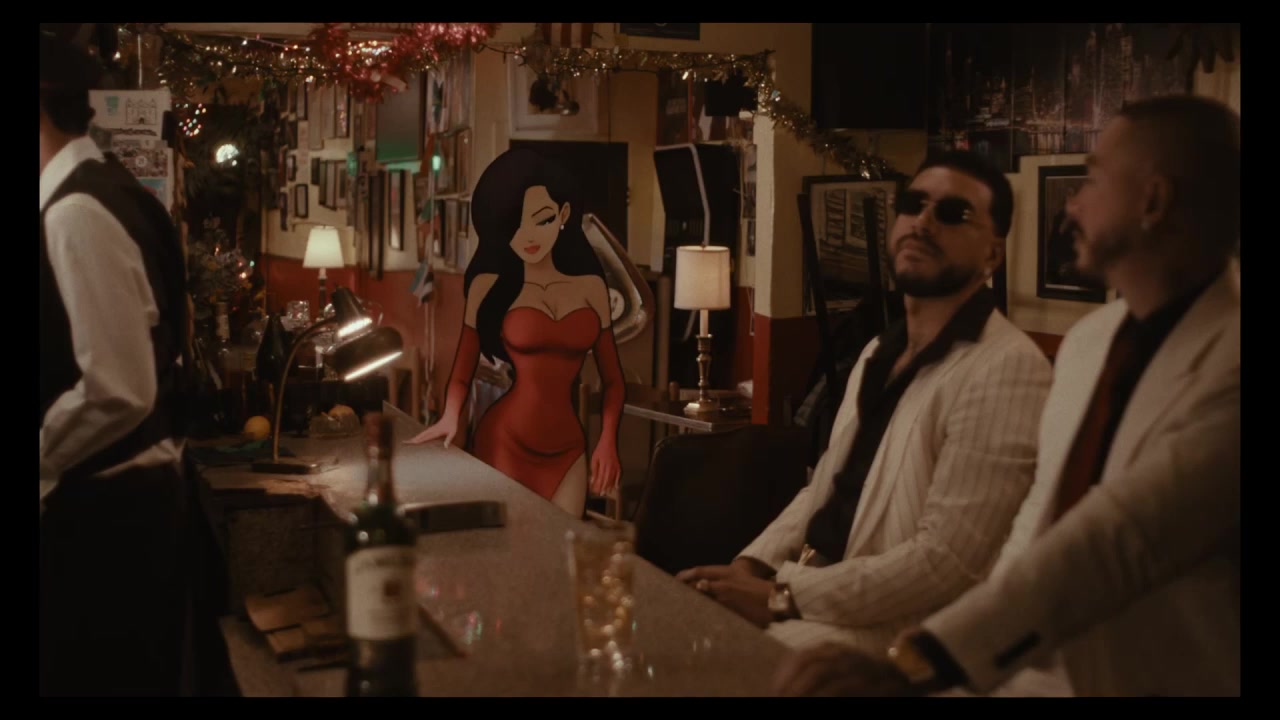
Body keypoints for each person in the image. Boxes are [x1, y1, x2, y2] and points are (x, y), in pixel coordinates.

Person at [773, 95, 1241, 698]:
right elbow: (1036, 528)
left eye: (1093, 179)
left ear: (1153, 201)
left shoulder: (1230, 360)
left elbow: (1118, 538)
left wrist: (918, 665)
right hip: (1030, 669)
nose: (1072, 204)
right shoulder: (1089, 343)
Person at [678, 150, 1052, 654]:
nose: (923, 222)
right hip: (815, 592)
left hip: (897, 633)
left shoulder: (1008, 367)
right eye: (913, 204)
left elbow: (945, 563)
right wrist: (750, 566)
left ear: (992, 255)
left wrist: (781, 597)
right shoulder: (880, 350)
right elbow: (825, 486)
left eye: (952, 213)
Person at [39, 29, 192, 695]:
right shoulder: (112, 191)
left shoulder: (76, 211)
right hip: (131, 508)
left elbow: (117, 387)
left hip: (108, 522)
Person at [407, 147, 625, 517]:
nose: (529, 236)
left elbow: (614, 382)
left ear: (563, 215)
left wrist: (608, 439)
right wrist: (450, 415)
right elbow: (461, 373)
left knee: (561, 547)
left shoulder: (591, 287)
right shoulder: (488, 286)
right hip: (505, 442)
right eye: (514, 226)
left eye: (542, 220)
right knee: (513, 548)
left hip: (569, 449)